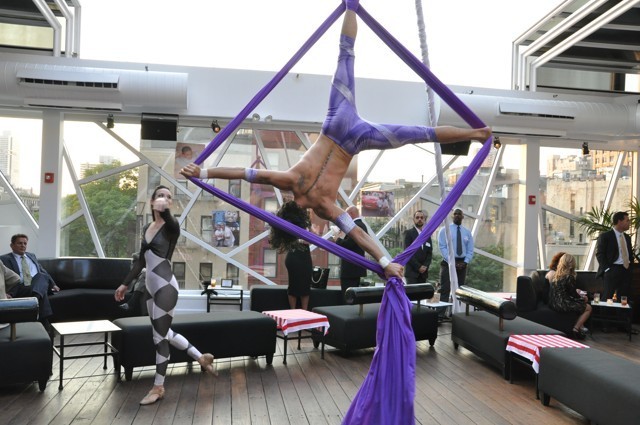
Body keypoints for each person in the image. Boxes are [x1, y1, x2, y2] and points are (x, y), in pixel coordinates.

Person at [180, 1, 492, 281]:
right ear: (285, 207)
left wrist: (385, 261)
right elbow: (240, 172)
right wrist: (202, 172)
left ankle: (476, 135)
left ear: (304, 220)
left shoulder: (325, 207)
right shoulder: (289, 179)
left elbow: (358, 234)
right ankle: (352, 7)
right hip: (337, 125)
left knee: (420, 134)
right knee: (345, 52)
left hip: (354, 141)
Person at [114, 185, 215, 406]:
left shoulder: (171, 226)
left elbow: (170, 220)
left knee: (159, 339)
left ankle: (158, 387)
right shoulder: (147, 227)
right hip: (150, 287)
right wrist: (124, 284)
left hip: (166, 288)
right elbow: (141, 261)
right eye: (160, 195)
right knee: (164, 333)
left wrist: (165, 210)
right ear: (152, 201)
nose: (165, 199)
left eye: (169, 197)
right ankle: (201, 357)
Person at [0, 233, 60, 332]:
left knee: (41, 276)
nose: (23, 245)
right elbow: (6, 278)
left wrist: (53, 284)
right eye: (19, 243)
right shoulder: (4, 259)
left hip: (37, 285)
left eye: (25, 243)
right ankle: (37, 301)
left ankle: (35, 299)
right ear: (12, 245)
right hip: (21, 287)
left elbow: (42, 270)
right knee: (42, 286)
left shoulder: (31, 256)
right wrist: (8, 293)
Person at [273, 201, 312, 310]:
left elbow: (310, 240)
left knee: (305, 285)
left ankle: (304, 311)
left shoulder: (306, 224)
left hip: (305, 256)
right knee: (293, 285)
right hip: (294, 256)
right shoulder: (289, 223)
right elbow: (288, 239)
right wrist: (300, 240)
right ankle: (293, 310)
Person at [437, 209, 473, 316]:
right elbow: (442, 247)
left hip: (462, 264)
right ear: (452, 216)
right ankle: (440, 315)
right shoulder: (444, 230)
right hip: (447, 262)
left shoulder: (467, 232)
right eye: (455, 214)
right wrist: (451, 261)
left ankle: (455, 315)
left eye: (459, 214)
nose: (457, 215)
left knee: (459, 291)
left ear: (463, 217)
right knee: (445, 289)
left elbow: (470, 249)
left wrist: (465, 262)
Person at [548, 253, 591, 339]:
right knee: (588, 307)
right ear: (572, 264)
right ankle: (576, 329)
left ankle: (579, 327)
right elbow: (573, 294)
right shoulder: (569, 276)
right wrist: (582, 297)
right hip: (562, 304)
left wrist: (577, 293)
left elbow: (563, 291)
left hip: (553, 303)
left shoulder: (556, 275)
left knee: (581, 304)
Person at [595, 211, 633, 301]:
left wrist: (630, 268)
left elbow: (629, 254)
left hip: (625, 270)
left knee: (624, 298)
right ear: (619, 221)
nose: (629, 223)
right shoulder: (605, 236)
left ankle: (621, 311)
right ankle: (604, 311)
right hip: (612, 270)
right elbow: (600, 254)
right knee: (607, 297)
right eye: (627, 220)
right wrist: (607, 269)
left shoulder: (627, 237)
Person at [331, 205, 367, 295]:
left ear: (350, 214)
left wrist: (337, 239)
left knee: (347, 294)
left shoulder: (356, 226)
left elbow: (349, 244)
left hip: (351, 268)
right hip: (355, 268)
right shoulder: (361, 225)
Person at [404, 210, 433, 284]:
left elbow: (429, 253)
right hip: (412, 273)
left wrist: (425, 266)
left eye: (421, 218)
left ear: (424, 220)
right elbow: (407, 253)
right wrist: (419, 267)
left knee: (422, 292)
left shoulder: (427, 235)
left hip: (423, 274)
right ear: (414, 219)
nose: (419, 219)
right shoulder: (409, 233)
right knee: (412, 292)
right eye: (417, 217)